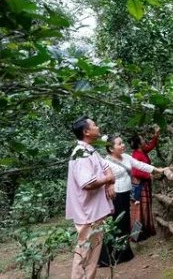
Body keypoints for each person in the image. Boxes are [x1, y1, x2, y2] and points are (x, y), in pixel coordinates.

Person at [98, 135, 167, 267]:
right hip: (115, 197)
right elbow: (101, 177)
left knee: (124, 224)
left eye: (122, 142)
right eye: (119, 144)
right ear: (111, 149)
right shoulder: (105, 162)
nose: (123, 145)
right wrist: (108, 186)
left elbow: (140, 165)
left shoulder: (127, 157)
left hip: (125, 195)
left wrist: (157, 169)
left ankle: (123, 253)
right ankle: (107, 257)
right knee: (115, 225)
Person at [66, 116, 115, 279]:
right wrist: (108, 180)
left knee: (94, 254)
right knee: (83, 253)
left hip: (95, 212)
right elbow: (87, 183)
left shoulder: (90, 150)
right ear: (86, 131)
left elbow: (107, 167)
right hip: (87, 214)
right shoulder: (80, 155)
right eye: (94, 125)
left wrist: (110, 181)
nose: (98, 127)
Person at [129, 125, 162, 241]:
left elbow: (151, 146)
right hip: (140, 186)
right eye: (142, 140)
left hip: (144, 184)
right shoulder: (136, 155)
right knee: (139, 210)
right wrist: (149, 175)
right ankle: (135, 235)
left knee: (145, 208)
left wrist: (156, 135)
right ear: (139, 144)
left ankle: (145, 230)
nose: (144, 141)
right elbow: (136, 172)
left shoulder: (142, 151)